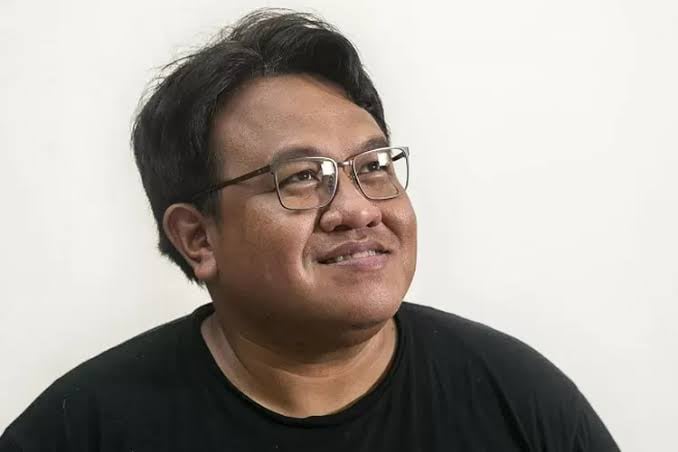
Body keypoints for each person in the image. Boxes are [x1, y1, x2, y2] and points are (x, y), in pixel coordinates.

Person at [0, 8, 619, 451]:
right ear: (198, 238)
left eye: (373, 166)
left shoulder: (518, 400)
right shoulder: (81, 429)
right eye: (301, 178)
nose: (358, 209)